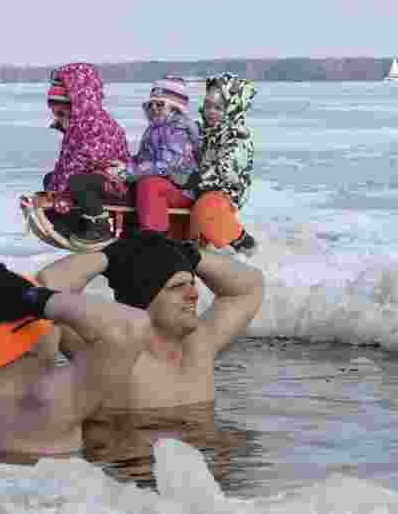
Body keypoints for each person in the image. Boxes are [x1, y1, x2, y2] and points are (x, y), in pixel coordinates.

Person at [0, 249, 152, 462]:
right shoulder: (47, 400)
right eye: (52, 321)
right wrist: (36, 299)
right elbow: (133, 326)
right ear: (35, 339)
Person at [36, 231, 264, 410]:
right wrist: (107, 257)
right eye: (177, 287)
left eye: (191, 283)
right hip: (133, 463)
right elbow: (45, 289)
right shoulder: (108, 353)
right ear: (143, 302)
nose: (194, 294)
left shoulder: (200, 345)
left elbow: (249, 285)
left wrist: (190, 254)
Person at [43, 62, 131, 248]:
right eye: (55, 112)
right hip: (93, 177)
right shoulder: (76, 126)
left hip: (113, 182)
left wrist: (60, 188)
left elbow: (84, 159)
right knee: (51, 179)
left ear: (75, 105)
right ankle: (71, 223)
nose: (57, 117)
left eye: (61, 112)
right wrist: (53, 187)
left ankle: (99, 225)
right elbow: (65, 161)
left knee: (77, 182)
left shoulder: (94, 124)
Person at [123, 77, 202, 239]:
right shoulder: (154, 129)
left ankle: (156, 238)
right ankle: (128, 231)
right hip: (167, 187)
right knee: (132, 184)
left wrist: (133, 170)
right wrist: (124, 165)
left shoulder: (178, 129)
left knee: (149, 184)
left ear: (175, 107)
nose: (153, 108)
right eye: (149, 104)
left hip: (182, 188)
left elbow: (169, 164)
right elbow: (142, 159)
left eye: (160, 104)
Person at [191, 72, 257, 253]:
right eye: (207, 106)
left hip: (224, 193)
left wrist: (192, 179)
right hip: (199, 188)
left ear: (231, 109)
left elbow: (225, 173)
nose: (211, 112)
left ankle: (242, 243)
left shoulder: (237, 138)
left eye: (218, 108)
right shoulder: (203, 131)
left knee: (207, 209)